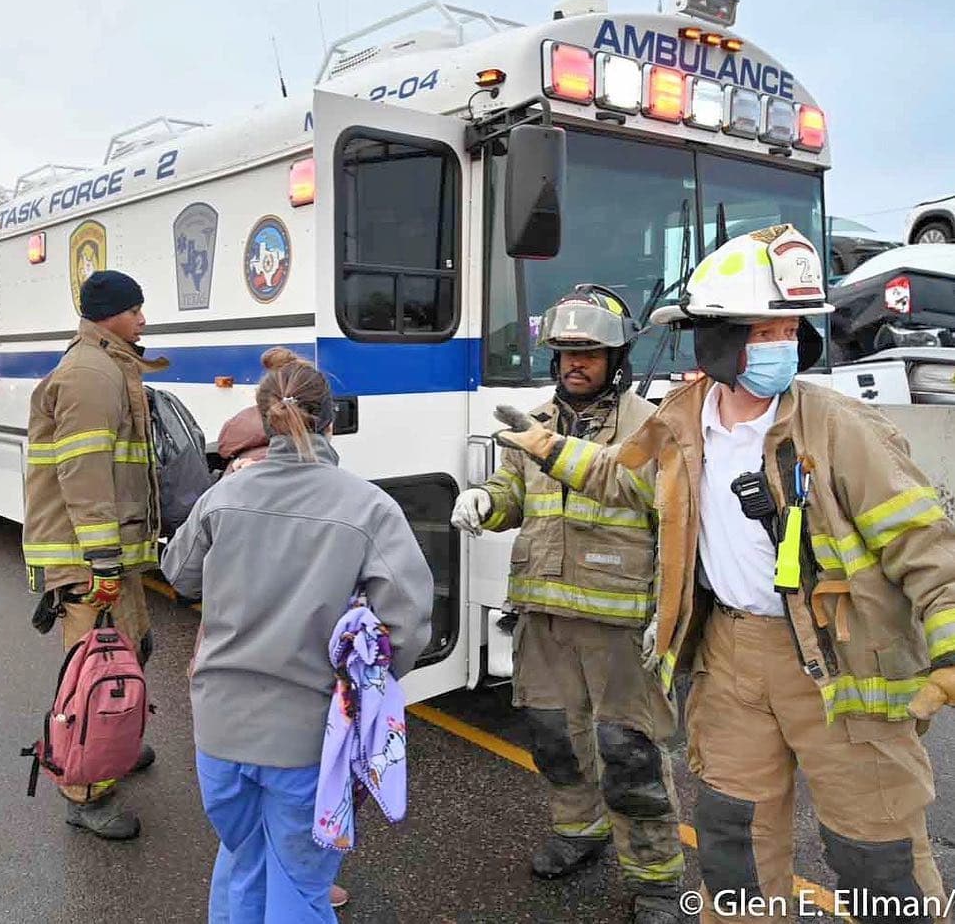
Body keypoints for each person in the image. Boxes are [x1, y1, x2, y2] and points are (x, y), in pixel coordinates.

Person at [493, 225, 953, 923]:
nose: (783, 345)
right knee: (734, 845)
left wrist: (948, 653)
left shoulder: (843, 429)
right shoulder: (682, 420)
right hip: (732, 656)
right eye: (765, 331)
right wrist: (549, 447)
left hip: (843, 659)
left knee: (877, 860)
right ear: (717, 339)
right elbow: (623, 478)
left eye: (791, 329)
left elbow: (927, 547)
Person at [162, 353, 433, 923]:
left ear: (265, 422)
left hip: (219, 732)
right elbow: (406, 625)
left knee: (243, 859)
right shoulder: (368, 507)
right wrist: (368, 681)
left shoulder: (224, 495)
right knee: (300, 885)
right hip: (309, 740)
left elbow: (178, 573)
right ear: (330, 422)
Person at [451, 286, 684, 924]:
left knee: (629, 752)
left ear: (616, 359)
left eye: (590, 353)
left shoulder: (649, 426)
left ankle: (657, 881)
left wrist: (664, 619)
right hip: (544, 613)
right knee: (554, 736)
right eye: (565, 353)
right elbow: (512, 491)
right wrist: (487, 501)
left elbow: (660, 508)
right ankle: (579, 830)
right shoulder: (532, 423)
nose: (575, 364)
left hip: (618, 621)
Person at [22, 269, 168, 840]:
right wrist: (103, 560)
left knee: (128, 654)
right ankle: (85, 794)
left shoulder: (107, 365)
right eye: (135, 310)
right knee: (96, 678)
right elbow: (83, 475)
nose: (143, 319)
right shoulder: (89, 375)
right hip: (89, 559)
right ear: (110, 315)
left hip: (105, 555)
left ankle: (116, 746)